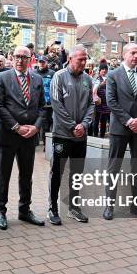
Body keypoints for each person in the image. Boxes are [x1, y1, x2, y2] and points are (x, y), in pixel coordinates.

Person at [0, 46, 45, 230]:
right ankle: (1, 211)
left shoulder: (37, 79)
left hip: (29, 136)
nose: (20, 60)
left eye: (24, 57)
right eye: (17, 56)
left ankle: (24, 210)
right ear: (11, 57)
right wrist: (16, 127)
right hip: (8, 134)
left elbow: (42, 107)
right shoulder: (1, 77)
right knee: (3, 175)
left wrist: (36, 127)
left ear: (31, 59)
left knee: (26, 175)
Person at [103, 43, 137, 221]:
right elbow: (111, 101)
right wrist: (128, 120)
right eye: (133, 53)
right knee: (114, 167)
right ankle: (109, 205)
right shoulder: (113, 75)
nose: (136, 56)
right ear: (125, 54)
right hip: (120, 128)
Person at [48, 45, 94, 225]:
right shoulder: (58, 77)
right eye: (80, 59)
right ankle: (52, 208)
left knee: (76, 173)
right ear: (70, 58)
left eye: (85, 59)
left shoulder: (88, 80)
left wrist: (83, 125)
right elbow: (56, 104)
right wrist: (72, 125)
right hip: (62, 135)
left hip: (80, 136)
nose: (84, 62)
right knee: (57, 172)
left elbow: (91, 105)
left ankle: (74, 208)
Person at [35, 55, 55, 146]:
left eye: (43, 62)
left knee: (47, 125)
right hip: (36, 103)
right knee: (38, 123)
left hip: (49, 103)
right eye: (40, 62)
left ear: (47, 63)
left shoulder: (52, 73)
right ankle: (36, 142)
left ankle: (46, 145)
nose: (41, 64)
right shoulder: (33, 73)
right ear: (37, 63)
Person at [91, 65, 110, 137]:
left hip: (106, 104)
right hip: (98, 103)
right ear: (100, 71)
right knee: (96, 120)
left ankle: (102, 136)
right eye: (103, 69)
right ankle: (95, 135)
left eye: (105, 69)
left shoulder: (109, 79)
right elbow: (93, 91)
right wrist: (101, 85)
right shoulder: (97, 79)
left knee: (104, 122)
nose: (104, 71)